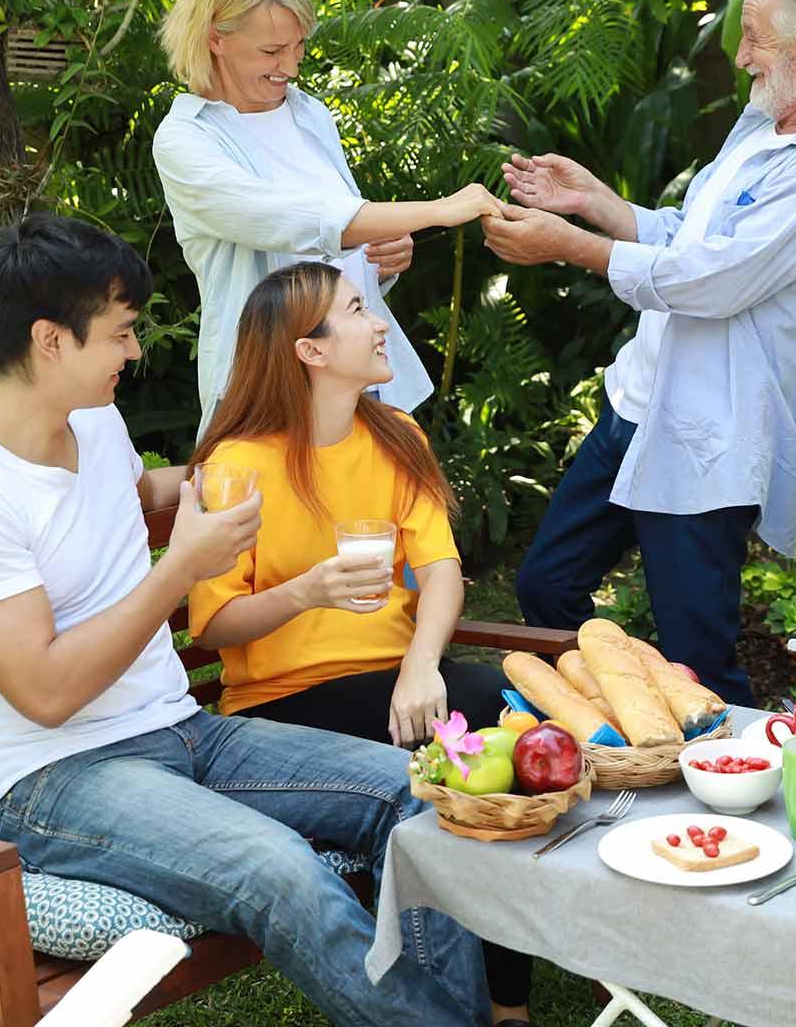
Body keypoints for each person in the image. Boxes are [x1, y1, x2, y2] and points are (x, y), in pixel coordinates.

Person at [0, 214, 489, 1027]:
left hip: (183, 733)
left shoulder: (91, 424)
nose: (136, 352)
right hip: (57, 778)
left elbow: (127, 497)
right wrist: (180, 568)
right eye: (121, 334)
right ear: (50, 341)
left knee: (425, 795)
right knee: (279, 870)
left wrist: (233, 473)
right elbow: (45, 694)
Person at [482, 0, 796, 705]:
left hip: (713, 435)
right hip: (640, 403)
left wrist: (572, 248)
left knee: (697, 654)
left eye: (756, 38)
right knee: (547, 587)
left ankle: (721, 791)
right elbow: (694, 236)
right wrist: (597, 203)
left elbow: (718, 280)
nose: (740, 57)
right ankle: (623, 722)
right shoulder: (764, 123)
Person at [183, 260, 533, 1025]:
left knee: (498, 711)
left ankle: (507, 1000)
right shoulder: (238, 465)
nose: (379, 324)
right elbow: (212, 627)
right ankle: (500, 1007)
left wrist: (418, 667)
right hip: (283, 707)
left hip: (393, 684)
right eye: (356, 310)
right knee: (481, 724)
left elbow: (441, 569)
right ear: (310, 352)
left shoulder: (397, 435)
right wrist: (305, 591)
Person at [154, 0, 505, 437]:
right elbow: (293, 221)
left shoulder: (309, 114)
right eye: (271, 50)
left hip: (364, 385)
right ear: (216, 38)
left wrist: (383, 257)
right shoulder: (186, 139)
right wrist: (437, 211)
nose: (291, 66)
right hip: (273, 390)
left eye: (298, 47)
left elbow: (344, 238)